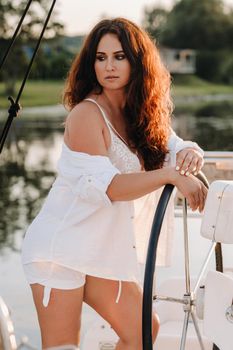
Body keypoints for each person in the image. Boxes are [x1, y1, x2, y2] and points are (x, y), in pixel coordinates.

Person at [21, 17, 207, 350]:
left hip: (98, 250)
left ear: (137, 62)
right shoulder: (86, 115)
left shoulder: (139, 113)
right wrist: (170, 175)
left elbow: (172, 143)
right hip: (59, 249)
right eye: (101, 57)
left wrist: (191, 154)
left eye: (119, 56)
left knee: (142, 332)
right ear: (91, 63)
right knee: (63, 346)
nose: (109, 66)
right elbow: (110, 187)